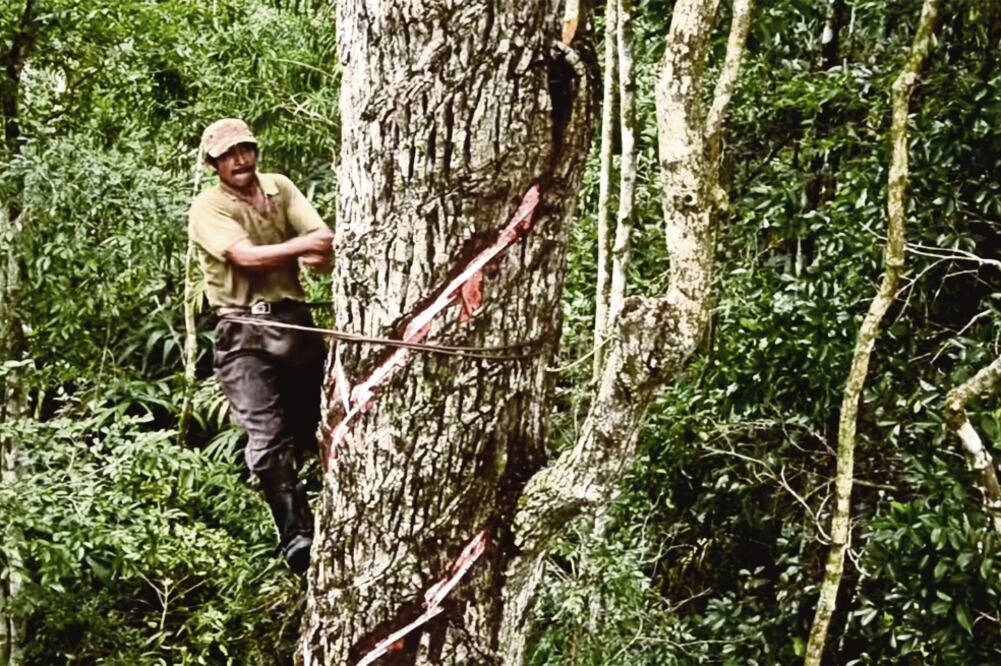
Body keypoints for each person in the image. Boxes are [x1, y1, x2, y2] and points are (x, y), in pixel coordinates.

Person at [187, 118, 333, 574]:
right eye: (228, 155)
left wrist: (315, 250)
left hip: (295, 324)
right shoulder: (207, 207)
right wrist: (302, 246)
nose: (239, 161)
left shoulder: (280, 188)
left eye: (245, 150)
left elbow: (322, 249)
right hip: (242, 332)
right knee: (266, 435)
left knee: (323, 422)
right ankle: (296, 533)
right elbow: (244, 257)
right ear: (213, 164)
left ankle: (343, 506)